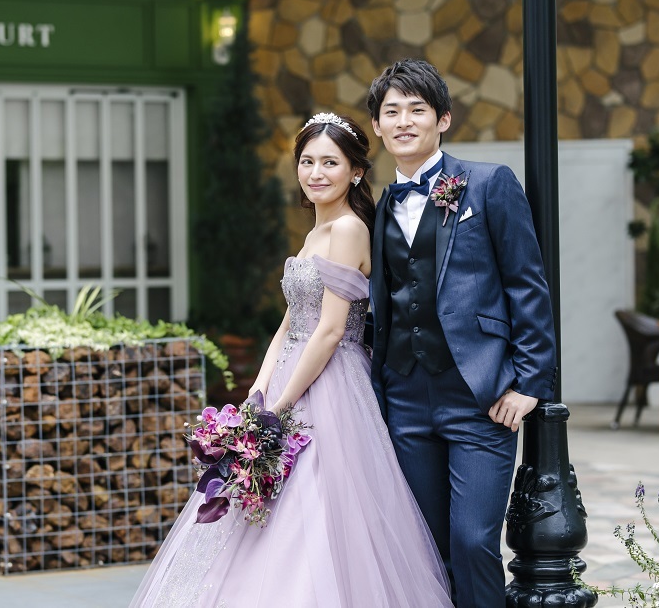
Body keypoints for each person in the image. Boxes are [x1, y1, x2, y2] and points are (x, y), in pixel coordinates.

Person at [129, 112, 453, 607]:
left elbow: (329, 331)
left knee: (320, 502)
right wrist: (258, 392)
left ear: (356, 171)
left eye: (330, 162)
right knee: (267, 502)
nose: (316, 173)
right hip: (290, 374)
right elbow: (289, 323)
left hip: (330, 380)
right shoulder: (314, 233)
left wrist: (280, 407)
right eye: (307, 161)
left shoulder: (349, 229)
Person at [366, 58, 557, 607]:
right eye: (391, 112)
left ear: (443, 119)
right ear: (377, 126)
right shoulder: (381, 206)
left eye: (417, 109)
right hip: (404, 397)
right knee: (427, 547)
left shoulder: (490, 184)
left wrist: (530, 382)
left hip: (479, 396)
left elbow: (527, 285)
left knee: (473, 542)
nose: (404, 121)